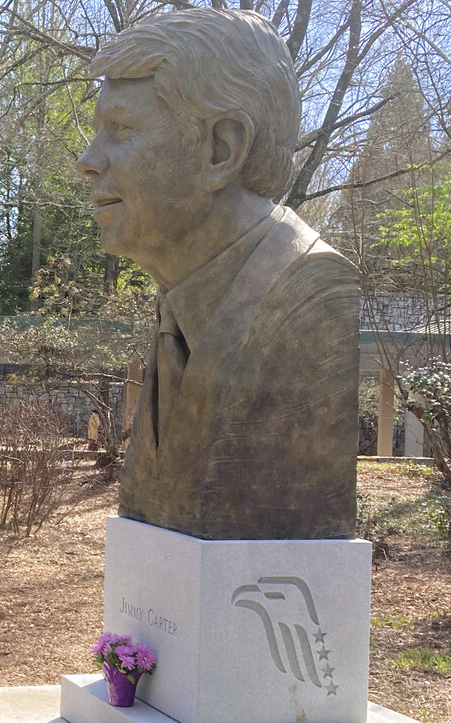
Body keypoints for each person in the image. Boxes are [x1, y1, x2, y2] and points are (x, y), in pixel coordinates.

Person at [77, 8, 359, 540]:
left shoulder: (306, 297)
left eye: (121, 129)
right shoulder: (178, 309)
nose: (88, 160)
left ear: (221, 149)